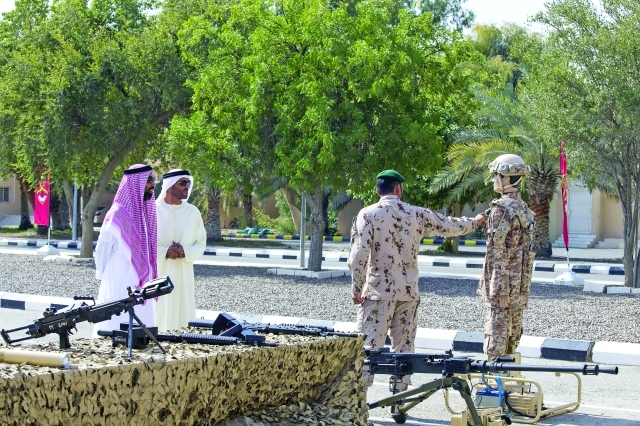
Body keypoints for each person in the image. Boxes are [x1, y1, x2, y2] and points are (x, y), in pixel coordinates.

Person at [348, 169, 486, 393]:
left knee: (367, 349)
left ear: (377, 190)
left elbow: (358, 256)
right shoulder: (416, 214)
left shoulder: (367, 214)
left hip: (378, 293)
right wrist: (476, 221)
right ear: (398, 188)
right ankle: (399, 401)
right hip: (408, 294)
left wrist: (356, 288)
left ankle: (357, 402)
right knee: (404, 350)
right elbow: (449, 225)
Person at [478, 154, 536, 359]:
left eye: (497, 175)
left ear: (508, 178)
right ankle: (509, 384)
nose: (494, 180)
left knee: (496, 342)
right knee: (513, 340)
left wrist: (499, 288)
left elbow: (497, 250)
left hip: (504, 289)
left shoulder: (501, 210)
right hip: (519, 287)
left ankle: (496, 387)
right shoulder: (526, 210)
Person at [93, 164, 158, 337]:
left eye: (153, 180)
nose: (153, 184)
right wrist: (101, 276)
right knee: (115, 324)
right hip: (118, 279)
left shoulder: (145, 212)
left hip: (141, 284)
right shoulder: (117, 214)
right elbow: (102, 250)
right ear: (136, 183)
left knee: (140, 326)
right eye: (149, 180)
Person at [154, 169, 206, 332]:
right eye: (182, 183)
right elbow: (144, 246)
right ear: (169, 186)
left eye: (188, 183)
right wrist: (165, 252)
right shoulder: (153, 211)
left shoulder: (193, 212)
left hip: (184, 273)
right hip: (159, 272)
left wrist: (185, 251)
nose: (187, 187)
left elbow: (201, 243)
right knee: (159, 311)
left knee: (184, 314)